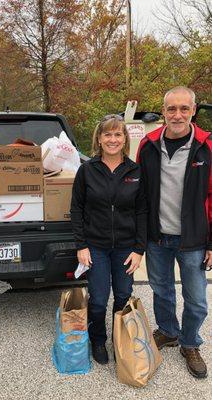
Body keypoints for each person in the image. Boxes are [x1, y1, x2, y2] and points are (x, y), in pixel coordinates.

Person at [137, 86, 212, 379]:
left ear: (193, 111)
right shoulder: (148, 144)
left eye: (184, 109)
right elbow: (140, 192)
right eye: (171, 109)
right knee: (162, 290)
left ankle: (190, 342)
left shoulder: (206, 147)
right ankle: (168, 330)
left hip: (193, 239)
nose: (177, 115)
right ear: (164, 111)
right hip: (158, 237)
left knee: (196, 298)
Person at [70, 114, 147, 364]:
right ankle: (98, 340)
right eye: (108, 134)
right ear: (99, 139)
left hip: (126, 247)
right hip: (96, 246)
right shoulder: (87, 170)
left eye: (118, 134)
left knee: (123, 295)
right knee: (99, 298)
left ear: (124, 139)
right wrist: (81, 245)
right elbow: (77, 209)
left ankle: (119, 338)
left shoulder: (135, 171)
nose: (113, 139)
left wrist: (139, 249)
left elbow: (142, 211)